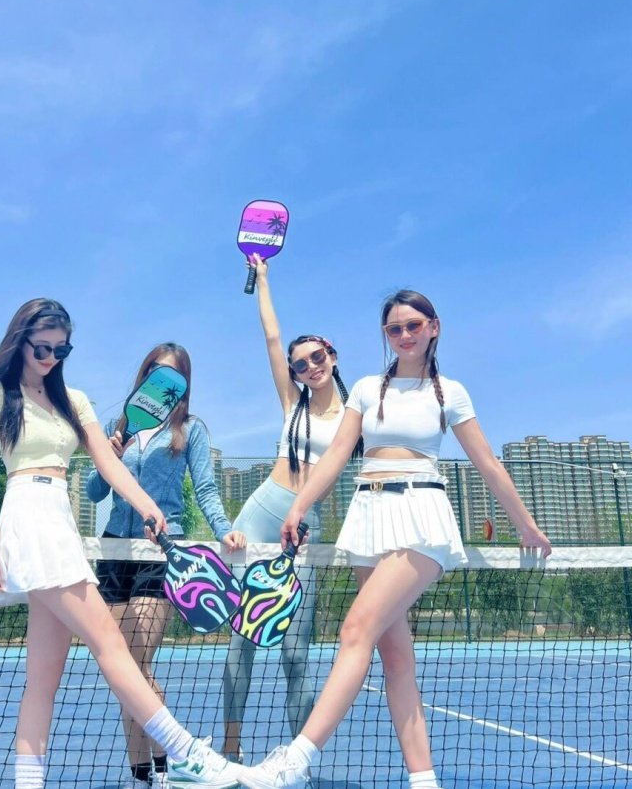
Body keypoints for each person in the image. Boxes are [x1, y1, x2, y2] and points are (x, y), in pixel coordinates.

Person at [237, 289, 552, 789]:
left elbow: (486, 462)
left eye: (412, 325)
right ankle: (423, 779)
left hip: (422, 512)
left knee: (355, 628)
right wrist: (298, 505)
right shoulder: (365, 388)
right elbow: (338, 454)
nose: (403, 334)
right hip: (368, 515)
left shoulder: (451, 392)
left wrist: (524, 523)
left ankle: (295, 758)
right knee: (395, 657)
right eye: (393, 328)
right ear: (385, 336)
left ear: (433, 327)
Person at [0, 300, 240, 789]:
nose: (50, 355)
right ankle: (188, 753)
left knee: (44, 678)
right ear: (20, 339)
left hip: (59, 519)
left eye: (60, 348)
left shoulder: (75, 401)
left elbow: (106, 468)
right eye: (42, 345)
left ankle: (29, 782)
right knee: (109, 642)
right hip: (26, 514)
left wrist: (147, 505)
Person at [85, 342, 247, 789]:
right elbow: (93, 493)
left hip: (162, 550)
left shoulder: (190, 430)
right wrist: (109, 456)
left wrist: (224, 529)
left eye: (173, 376)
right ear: (144, 375)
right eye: (156, 371)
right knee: (121, 668)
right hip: (116, 551)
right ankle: (146, 772)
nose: (163, 381)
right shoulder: (116, 428)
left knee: (135, 662)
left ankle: (175, 760)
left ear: (183, 386)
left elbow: (207, 490)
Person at [222, 255, 361, 763]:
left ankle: (296, 760)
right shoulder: (292, 405)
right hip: (260, 514)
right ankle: (231, 752)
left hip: (307, 527)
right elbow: (272, 338)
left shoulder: (356, 415)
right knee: (242, 645)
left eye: (317, 357)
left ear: (334, 355)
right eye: (301, 364)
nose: (309, 366)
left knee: (295, 652)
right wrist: (263, 281)